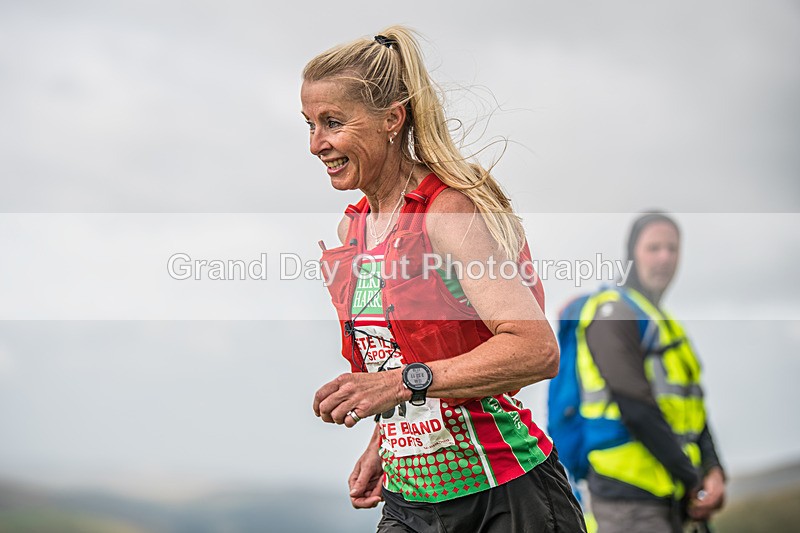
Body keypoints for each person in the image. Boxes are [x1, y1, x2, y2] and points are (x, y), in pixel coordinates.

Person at [303, 26, 586, 532]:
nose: (316, 144)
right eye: (309, 125)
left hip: (506, 495)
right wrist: (382, 439)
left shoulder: (448, 213)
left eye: (333, 123)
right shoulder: (354, 226)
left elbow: (536, 349)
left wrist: (396, 385)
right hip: (409, 499)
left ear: (392, 119)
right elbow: (402, 358)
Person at [565, 213, 726, 533]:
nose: (664, 257)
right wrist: (694, 480)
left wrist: (714, 468)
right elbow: (636, 407)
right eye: (653, 248)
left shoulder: (663, 322)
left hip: (670, 494)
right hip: (627, 499)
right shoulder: (613, 312)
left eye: (672, 248)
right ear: (632, 254)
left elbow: (692, 407)